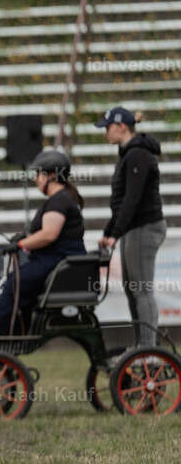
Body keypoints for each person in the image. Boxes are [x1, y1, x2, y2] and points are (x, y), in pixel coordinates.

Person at [0, 151, 87, 336]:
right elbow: (44, 232)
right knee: (10, 280)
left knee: (15, 281)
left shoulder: (59, 201)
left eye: (39, 173)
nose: (35, 179)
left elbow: (49, 235)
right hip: (53, 260)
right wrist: (24, 237)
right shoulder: (59, 200)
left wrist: (21, 244)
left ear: (52, 175)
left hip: (57, 262)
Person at [95, 107, 166, 346]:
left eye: (107, 128)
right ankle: (142, 349)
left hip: (144, 227)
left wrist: (114, 234)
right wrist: (109, 231)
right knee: (133, 288)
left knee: (141, 290)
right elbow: (122, 202)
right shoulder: (129, 154)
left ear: (121, 126)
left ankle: (148, 351)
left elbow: (132, 199)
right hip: (134, 228)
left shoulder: (137, 155)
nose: (105, 133)